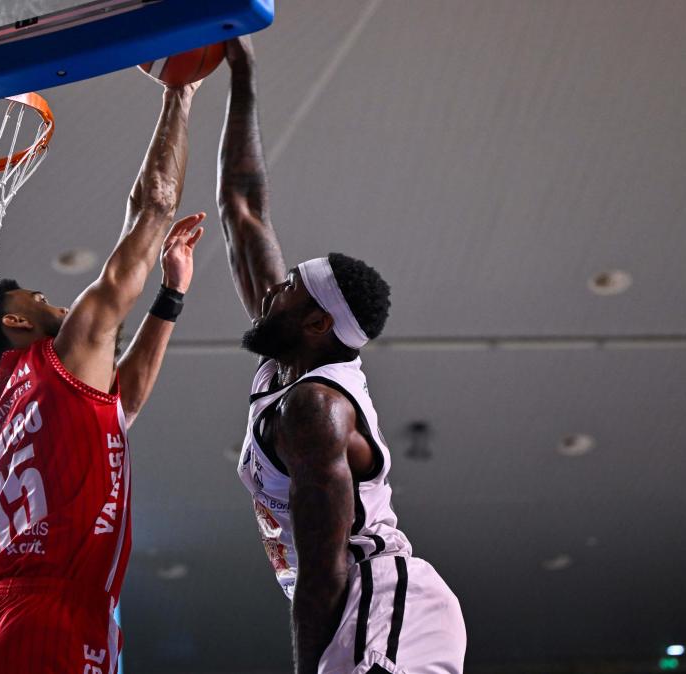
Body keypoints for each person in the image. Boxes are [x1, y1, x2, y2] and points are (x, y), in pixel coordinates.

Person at [217, 37, 467, 674]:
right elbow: (242, 206)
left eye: (289, 287)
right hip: (357, 598)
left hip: (375, 593)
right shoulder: (287, 359)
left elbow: (325, 569)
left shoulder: (316, 407)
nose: (271, 288)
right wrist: (240, 73)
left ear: (316, 321)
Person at [0, 76, 205, 674]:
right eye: (39, 297)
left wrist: (171, 296)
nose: (57, 302)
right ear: (16, 319)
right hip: (54, 619)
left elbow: (122, 407)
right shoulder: (58, 360)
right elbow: (154, 208)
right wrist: (180, 93)